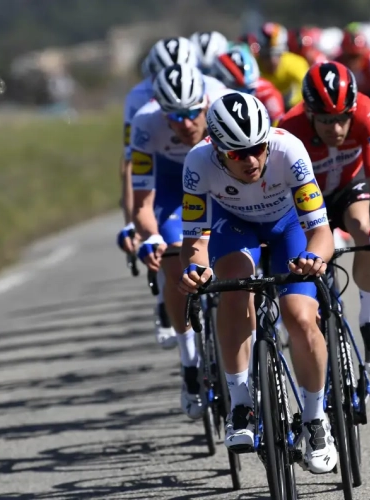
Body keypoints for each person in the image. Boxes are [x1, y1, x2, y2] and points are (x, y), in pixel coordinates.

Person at [178, 91, 339, 474]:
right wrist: (196, 270)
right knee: (234, 285)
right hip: (234, 227)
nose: (251, 161)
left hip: (288, 228)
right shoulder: (198, 162)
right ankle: (240, 403)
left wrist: (315, 259)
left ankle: (316, 420)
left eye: (256, 148)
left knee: (299, 316)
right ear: (217, 149)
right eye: (237, 154)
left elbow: (321, 232)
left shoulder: (289, 151)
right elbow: (195, 242)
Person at [279, 61, 370, 376]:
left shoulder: (367, 113)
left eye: (343, 118)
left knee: (365, 233)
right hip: (304, 204)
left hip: (346, 188)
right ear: (310, 115)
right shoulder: (288, 127)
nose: (337, 129)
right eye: (327, 121)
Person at [129, 63, 230, 415]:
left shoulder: (223, 102)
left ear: (205, 103)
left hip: (221, 183)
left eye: (192, 113)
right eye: (174, 115)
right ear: (160, 108)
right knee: (175, 266)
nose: (185, 123)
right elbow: (141, 201)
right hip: (173, 190)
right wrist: (149, 235)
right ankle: (189, 361)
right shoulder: (145, 122)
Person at [117, 37, 200, 348]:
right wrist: (133, 224)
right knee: (170, 251)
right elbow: (130, 167)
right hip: (166, 178)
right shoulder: (140, 102)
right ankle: (189, 353)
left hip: (212, 174)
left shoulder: (215, 92)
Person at [211, 45, 285, 125]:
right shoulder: (213, 91)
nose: (244, 95)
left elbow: (279, 123)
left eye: (249, 90)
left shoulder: (267, 91)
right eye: (238, 90)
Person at [255, 22, 310, 108]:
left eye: (276, 54)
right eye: (266, 55)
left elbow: (306, 89)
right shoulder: (253, 65)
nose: (271, 60)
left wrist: (291, 103)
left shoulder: (296, 63)